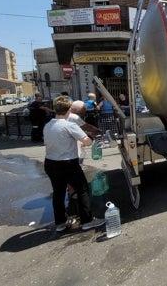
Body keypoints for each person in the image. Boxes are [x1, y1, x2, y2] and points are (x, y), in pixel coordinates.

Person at [43, 95, 104, 233]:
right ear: (69, 109)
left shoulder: (48, 125)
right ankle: (87, 221)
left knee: (58, 193)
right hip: (68, 163)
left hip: (50, 163)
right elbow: (87, 141)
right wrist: (90, 138)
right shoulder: (69, 125)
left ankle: (60, 223)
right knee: (82, 190)